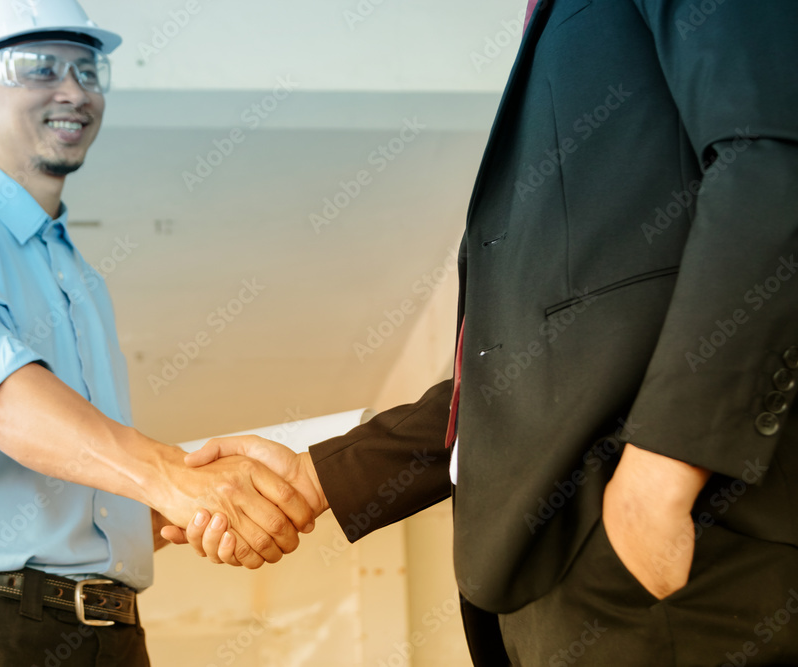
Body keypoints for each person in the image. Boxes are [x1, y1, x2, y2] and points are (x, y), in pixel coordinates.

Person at [164, 1, 798, 665]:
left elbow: (773, 161)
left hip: (677, 561)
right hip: (567, 588)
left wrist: (667, 469)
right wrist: (316, 475)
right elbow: (539, 360)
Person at [0, 0, 313, 664]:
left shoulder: (81, 279)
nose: (74, 90)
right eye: (38, 67)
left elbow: (74, 470)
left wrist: (182, 504)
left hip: (110, 632)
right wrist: (170, 475)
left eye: (88, 70)